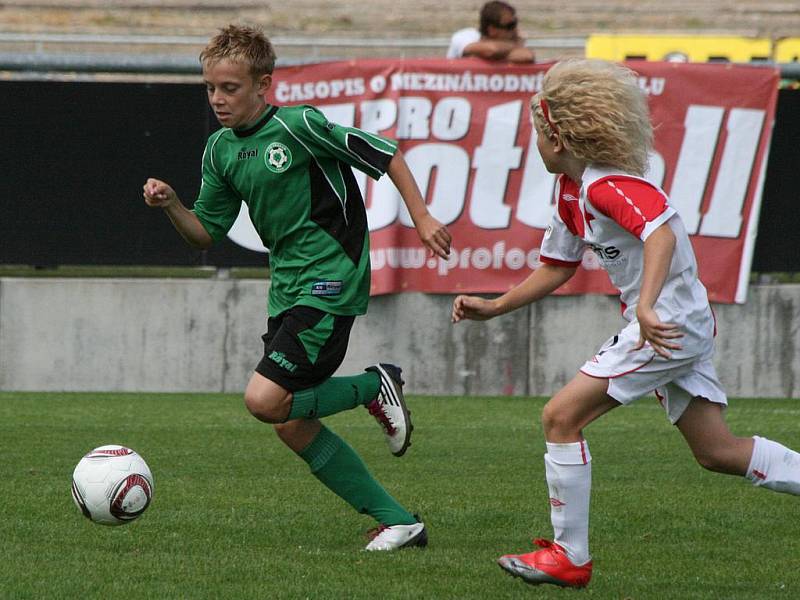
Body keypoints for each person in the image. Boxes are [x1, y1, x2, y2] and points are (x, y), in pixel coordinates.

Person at [452, 58, 800, 587]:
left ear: (560, 138)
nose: (535, 146)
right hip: (674, 324)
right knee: (716, 452)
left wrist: (645, 304)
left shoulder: (604, 186)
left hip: (666, 326)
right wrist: (495, 306)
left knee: (559, 418)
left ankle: (570, 557)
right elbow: (557, 266)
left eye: (538, 136)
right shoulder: (572, 194)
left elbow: (660, 231)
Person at [144, 24, 452, 551]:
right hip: (287, 288)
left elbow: (386, 155)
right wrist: (172, 203)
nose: (218, 99)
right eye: (211, 89)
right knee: (290, 422)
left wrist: (422, 218)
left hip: (330, 277)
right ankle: (399, 521)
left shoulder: (300, 126)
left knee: (264, 401)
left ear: (264, 84)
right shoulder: (220, 150)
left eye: (231, 88)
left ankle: (373, 386)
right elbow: (205, 234)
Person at [446, 1, 535, 63]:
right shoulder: (465, 35)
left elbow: (527, 56)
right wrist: (516, 44)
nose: (515, 29)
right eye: (509, 26)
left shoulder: (508, 45)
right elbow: (490, 50)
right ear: (492, 30)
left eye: (514, 23)